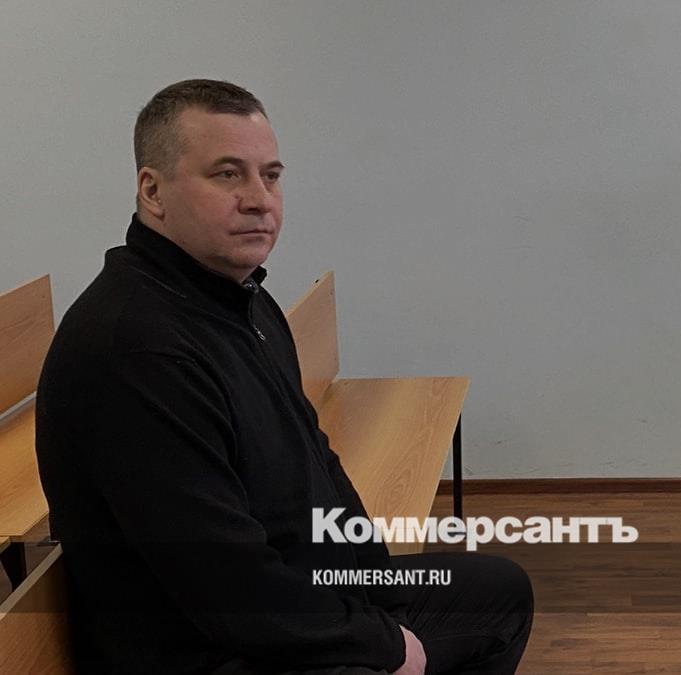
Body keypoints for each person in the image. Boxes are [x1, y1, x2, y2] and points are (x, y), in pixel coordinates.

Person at [35, 79, 533, 675]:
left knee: (496, 593)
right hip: (210, 649)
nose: (259, 199)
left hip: (290, 599)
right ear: (153, 190)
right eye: (227, 174)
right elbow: (225, 585)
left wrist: (377, 590)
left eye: (270, 176)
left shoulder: (241, 299)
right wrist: (387, 645)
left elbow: (315, 459)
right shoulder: (137, 348)